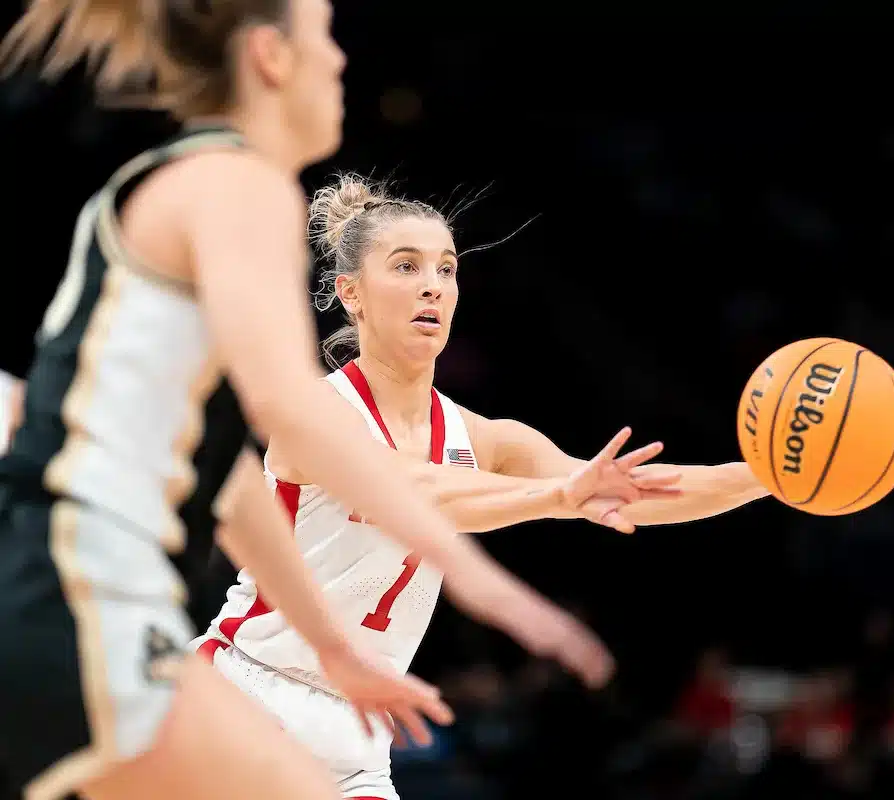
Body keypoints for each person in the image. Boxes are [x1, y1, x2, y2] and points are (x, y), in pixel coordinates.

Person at [0, 3, 676, 800]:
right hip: (81, 591)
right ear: (270, 58)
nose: (341, 64)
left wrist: (333, 646)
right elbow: (299, 418)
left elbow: (229, 478)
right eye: (326, 38)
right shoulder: (239, 185)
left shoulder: (203, 185)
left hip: (85, 599)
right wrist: (478, 577)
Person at [191, 173, 770, 800]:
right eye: (406, 267)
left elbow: (631, 494)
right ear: (350, 294)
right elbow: (410, 495)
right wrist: (557, 497)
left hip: (357, 729)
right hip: (244, 690)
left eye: (446, 269)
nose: (432, 286)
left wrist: (772, 479)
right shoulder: (314, 411)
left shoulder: (486, 439)